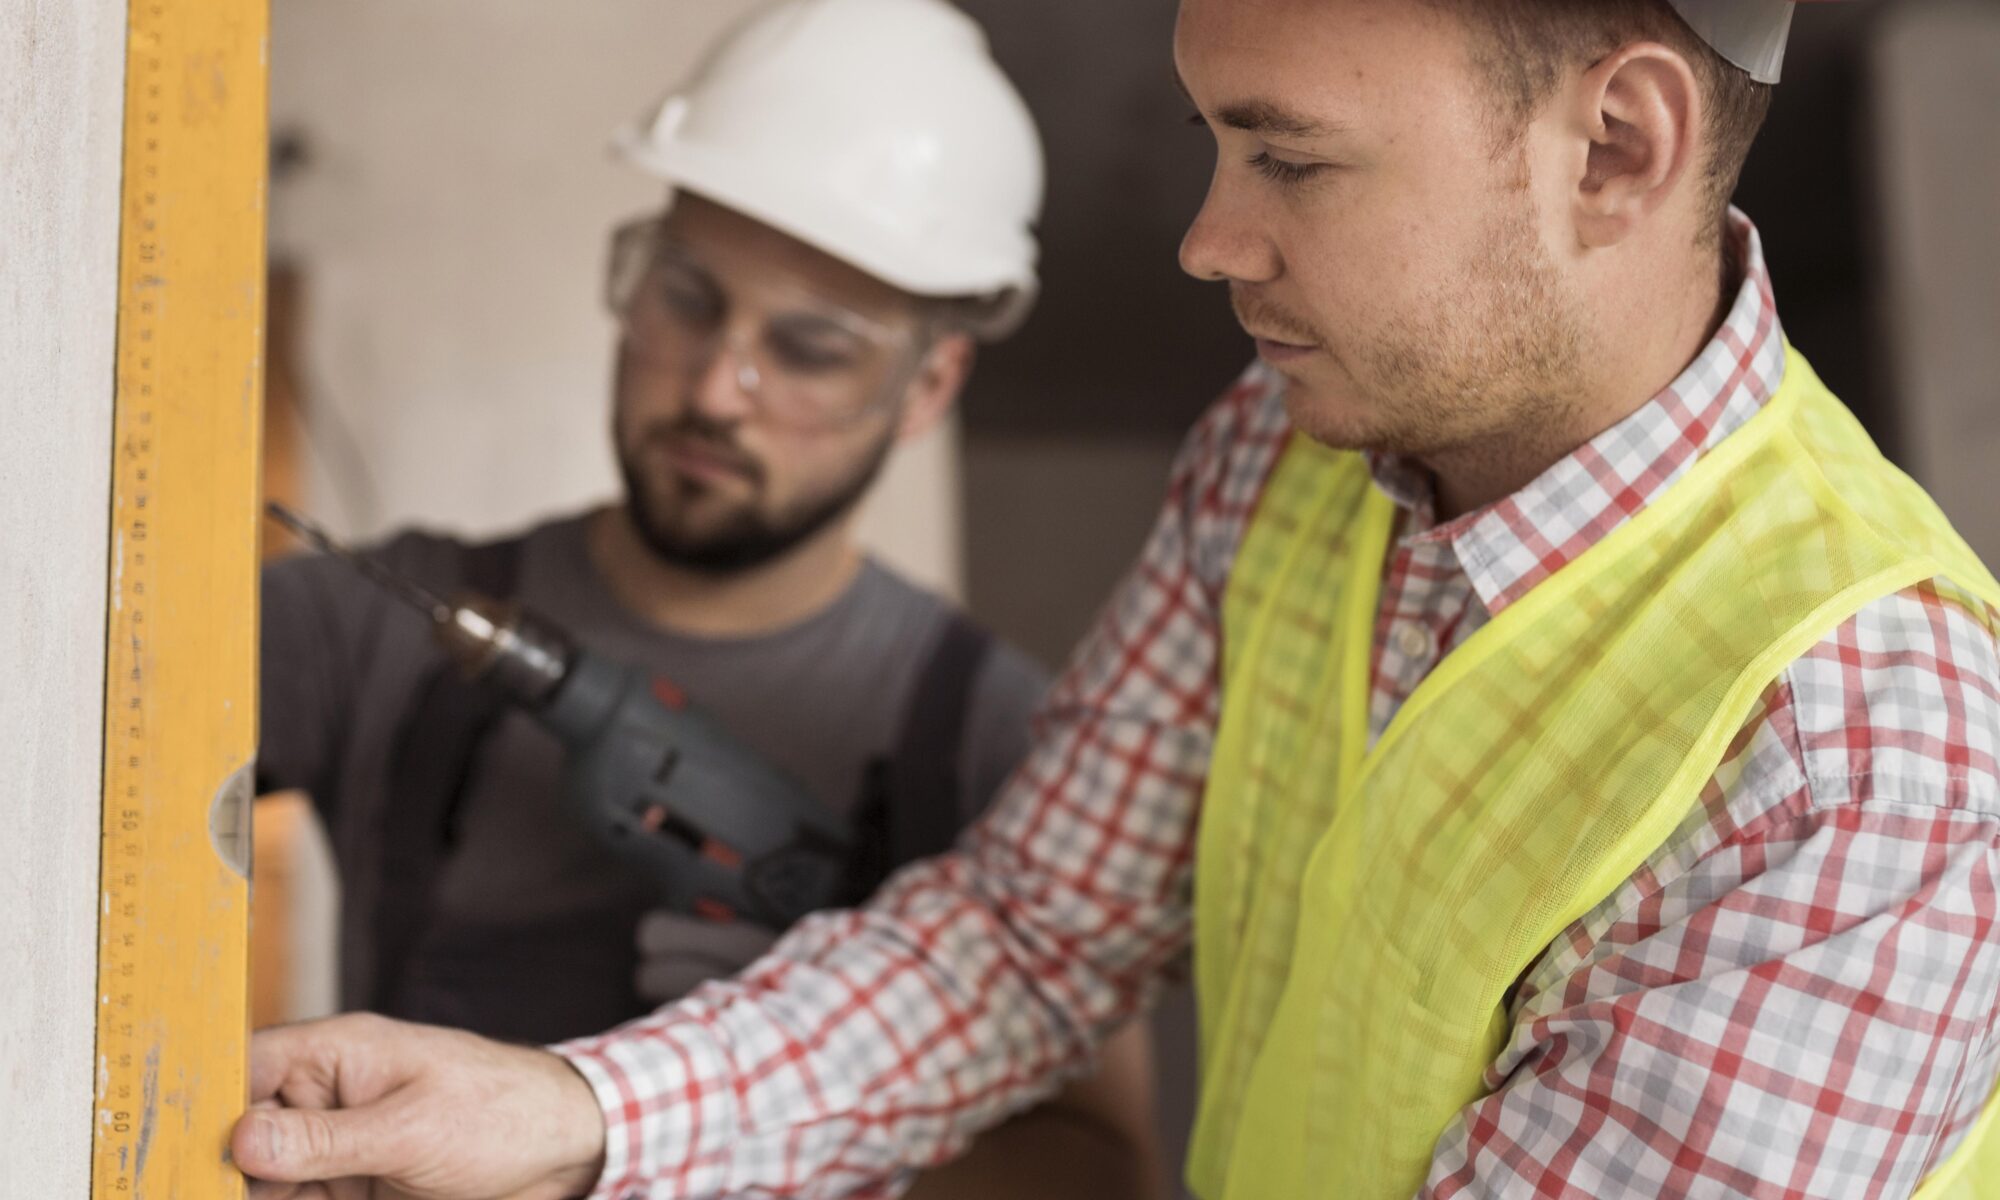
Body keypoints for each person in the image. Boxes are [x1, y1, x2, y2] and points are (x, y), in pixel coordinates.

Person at [235, 0, 2000, 1196]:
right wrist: (575, 1112)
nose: (1208, 238)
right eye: (1215, 145)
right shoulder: (1285, 453)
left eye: (1289, 157)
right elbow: (1031, 936)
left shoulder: (1863, 752)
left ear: (1618, 143)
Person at [250, 0, 1162, 1196]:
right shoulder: (385, 621)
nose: (718, 388)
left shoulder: (1001, 741)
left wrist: (807, 1072)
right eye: (686, 297)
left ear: (927, 385)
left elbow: (1101, 1169)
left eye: (809, 347)